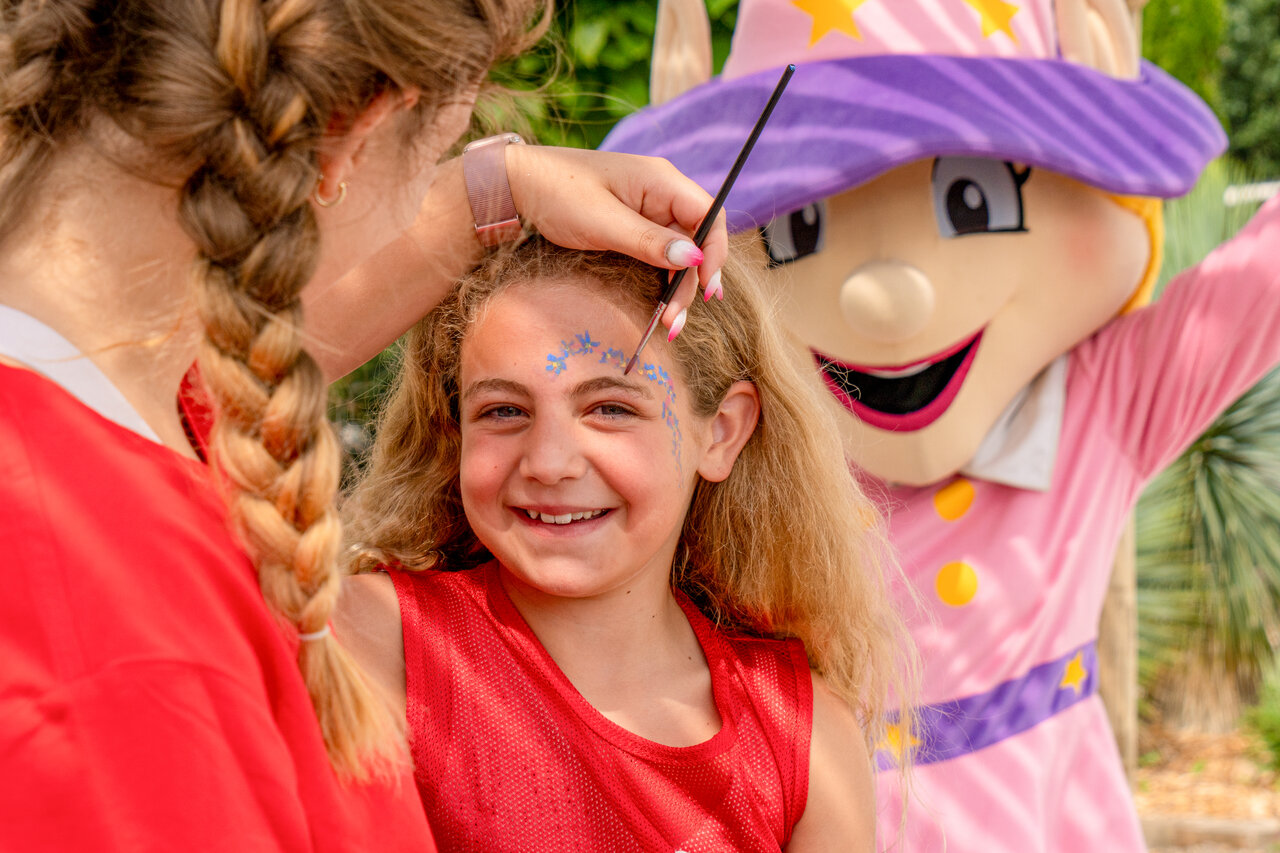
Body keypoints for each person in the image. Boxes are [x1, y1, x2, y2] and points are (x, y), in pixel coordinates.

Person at [0, 0, 730, 849]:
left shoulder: (109, 431)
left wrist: (491, 192)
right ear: (352, 136)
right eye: (430, 165)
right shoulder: (114, 630)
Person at [339, 237, 918, 851]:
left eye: (610, 408)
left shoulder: (802, 741)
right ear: (454, 431)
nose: (550, 462)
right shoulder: (371, 642)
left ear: (720, 432)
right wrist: (490, 188)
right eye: (504, 411)